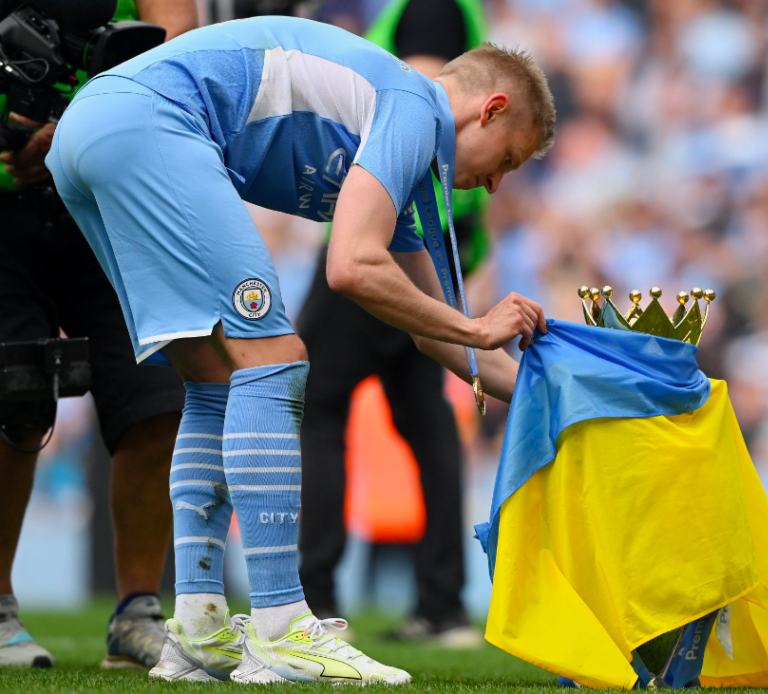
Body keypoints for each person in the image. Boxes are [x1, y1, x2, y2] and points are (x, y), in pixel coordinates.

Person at [46, 15, 555, 685]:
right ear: (489, 112)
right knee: (278, 357)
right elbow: (350, 267)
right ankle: (283, 624)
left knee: (214, 376)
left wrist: (561, 400)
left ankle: (197, 624)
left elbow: (437, 331)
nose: (493, 187)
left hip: (88, 136)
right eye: (507, 161)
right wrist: (476, 327)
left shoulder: (401, 161)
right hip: (151, 123)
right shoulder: (413, 104)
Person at [0, 0, 197, 670]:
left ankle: (138, 611)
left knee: (158, 399)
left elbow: (182, 49)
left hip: (111, 198)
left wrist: (80, 126)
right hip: (5, 210)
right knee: (15, 397)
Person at [298, 0, 491, 647]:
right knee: (426, 419)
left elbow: (417, 112)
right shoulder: (459, 13)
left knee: (317, 410)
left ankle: (315, 603)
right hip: (431, 238)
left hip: (395, 234)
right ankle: (443, 604)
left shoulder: (428, 10)